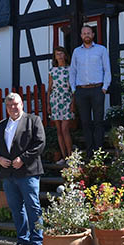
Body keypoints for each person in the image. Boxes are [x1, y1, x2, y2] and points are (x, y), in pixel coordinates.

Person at [0, 92, 45, 245]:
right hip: (8, 174)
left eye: (16, 104)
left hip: (28, 172)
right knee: (16, 209)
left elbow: (40, 143)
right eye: (10, 105)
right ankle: (23, 240)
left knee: (33, 208)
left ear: (22, 104)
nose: (13, 107)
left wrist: (23, 158)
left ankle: (38, 243)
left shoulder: (33, 120)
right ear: (6, 108)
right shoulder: (1, 126)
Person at [69, 24, 111, 158]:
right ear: (81, 36)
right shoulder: (76, 52)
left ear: (93, 35)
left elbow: (107, 70)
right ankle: (89, 152)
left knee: (98, 122)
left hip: (97, 89)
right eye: (84, 33)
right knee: (85, 122)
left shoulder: (101, 50)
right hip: (82, 91)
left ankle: (99, 152)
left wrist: (104, 88)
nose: (86, 35)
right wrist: (74, 90)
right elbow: (73, 71)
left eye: (89, 33)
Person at [48, 46, 74, 163]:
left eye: (61, 53)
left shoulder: (70, 69)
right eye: (57, 54)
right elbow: (49, 88)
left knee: (65, 129)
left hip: (66, 99)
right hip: (55, 100)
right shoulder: (52, 71)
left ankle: (70, 156)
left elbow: (73, 88)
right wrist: (48, 104)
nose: (59, 56)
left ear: (65, 55)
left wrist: (73, 102)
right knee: (59, 130)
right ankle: (63, 157)